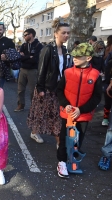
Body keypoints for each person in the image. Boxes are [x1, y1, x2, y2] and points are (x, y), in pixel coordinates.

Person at [56, 43, 102, 178]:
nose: (74, 58)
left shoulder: (95, 75)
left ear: (88, 58)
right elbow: (59, 90)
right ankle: (62, 162)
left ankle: (73, 161)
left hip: (83, 115)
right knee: (64, 139)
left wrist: (81, 110)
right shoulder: (68, 72)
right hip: (67, 114)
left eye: (78, 56)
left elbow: (97, 97)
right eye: (73, 55)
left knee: (78, 140)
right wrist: (65, 104)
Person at [27, 19, 70, 145]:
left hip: (58, 88)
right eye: (63, 33)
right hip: (46, 88)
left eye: (68, 33)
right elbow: (41, 69)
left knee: (56, 115)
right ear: (56, 33)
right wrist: (40, 88)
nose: (66, 35)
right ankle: (35, 132)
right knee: (40, 113)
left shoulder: (66, 50)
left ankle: (59, 142)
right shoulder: (48, 49)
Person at [14, 28, 43, 112]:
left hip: (33, 70)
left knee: (33, 90)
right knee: (20, 89)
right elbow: (20, 57)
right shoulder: (23, 45)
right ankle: (21, 104)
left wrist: (25, 57)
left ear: (31, 35)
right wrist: (28, 56)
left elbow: (36, 59)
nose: (24, 36)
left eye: (25, 35)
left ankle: (34, 107)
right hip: (23, 69)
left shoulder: (38, 45)